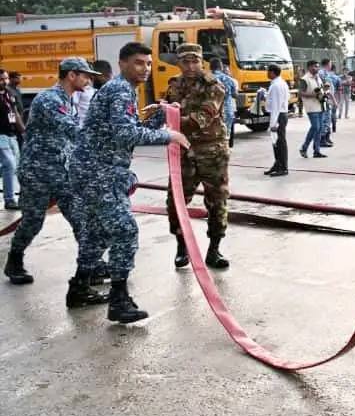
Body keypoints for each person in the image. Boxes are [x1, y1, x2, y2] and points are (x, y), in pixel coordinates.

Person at [70, 42, 190, 324]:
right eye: (139, 63)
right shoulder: (120, 89)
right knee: (124, 232)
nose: (145, 69)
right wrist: (169, 135)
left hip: (92, 171)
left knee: (97, 234)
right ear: (122, 63)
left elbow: (127, 129)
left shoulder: (122, 90)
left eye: (148, 64)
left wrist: (159, 115)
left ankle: (78, 289)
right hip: (99, 173)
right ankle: (119, 301)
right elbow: (126, 134)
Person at [3, 58, 103, 298]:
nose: (88, 80)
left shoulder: (68, 99)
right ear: (71, 75)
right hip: (38, 171)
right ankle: (14, 260)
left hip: (63, 171)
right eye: (85, 75)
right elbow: (73, 130)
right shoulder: (49, 99)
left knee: (81, 219)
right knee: (33, 221)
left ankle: (92, 265)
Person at [164, 45, 232, 270]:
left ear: (201, 62)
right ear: (179, 63)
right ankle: (182, 246)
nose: (191, 66)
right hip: (184, 153)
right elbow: (167, 109)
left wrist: (169, 119)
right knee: (175, 201)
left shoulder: (214, 85)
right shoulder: (174, 84)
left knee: (217, 201)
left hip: (212, 152)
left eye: (195, 61)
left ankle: (214, 249)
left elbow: (202, 117)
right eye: (186, 62)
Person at [0, 69, 25, 209]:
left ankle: (23, 196)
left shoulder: (9, 94)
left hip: (12, 135)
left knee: (17, 166)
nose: (5, 82)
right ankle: (9, 199)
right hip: (0, 135)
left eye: (6, 79)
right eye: (1, 79)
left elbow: (14, 113)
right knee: (9, 164)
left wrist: (23, 131)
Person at [298, 60, 328, 159]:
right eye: (315, 67)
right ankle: (304, 147)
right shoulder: (304, 79)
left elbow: (320, 89)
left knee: (319, 129)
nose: (317, 68)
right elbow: (301, 93)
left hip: (320, 105)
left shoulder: (318, 77)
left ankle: (317, 151)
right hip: (311, 107)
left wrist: (324, 89)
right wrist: (314, 95)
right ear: (309, 67)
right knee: (315, 127)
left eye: (318, 67)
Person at [265, 64, 290, 177]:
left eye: (268, 71)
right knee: (275, 141)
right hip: (279, 114)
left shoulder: (276, 85)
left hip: (278, 115)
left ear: (272, 72)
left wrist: (273, 123)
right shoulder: (280, 83)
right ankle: (278, 164)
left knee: (280, 142)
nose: (267, 73)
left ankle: (283, 167)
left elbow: (276, 105)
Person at [210, 58, 239, 148]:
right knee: (226, 135)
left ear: (211, 67)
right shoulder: (229, 79)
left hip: (210, 111)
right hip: (226, 111)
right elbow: (235, 95)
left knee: (211, 135)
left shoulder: (206, 78)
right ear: (221, 67)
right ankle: (224, 153)